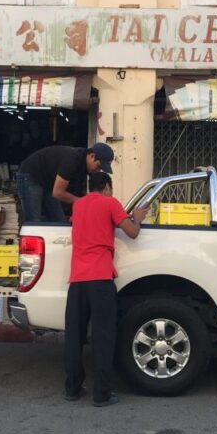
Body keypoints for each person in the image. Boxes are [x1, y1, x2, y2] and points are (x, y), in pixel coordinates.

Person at [64, 172, 149, 407]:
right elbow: (131, 232)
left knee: (75, 336)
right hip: (100, 278)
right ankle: (101, 394)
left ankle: (72, 388)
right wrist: (138, 217)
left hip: (77, 279)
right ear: (108, 187)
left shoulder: (79, 205)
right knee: (103, 337)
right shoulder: (110, 203)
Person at [16, 143, 115, 223]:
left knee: (59, 222)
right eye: (98, 166)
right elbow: (58, 192)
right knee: (34, 221)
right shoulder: (72, 160)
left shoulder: (84, 167)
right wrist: (83, 202)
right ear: (92, 156)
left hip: (48, 183)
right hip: (31, 176)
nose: (98, 170)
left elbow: (75, 194)